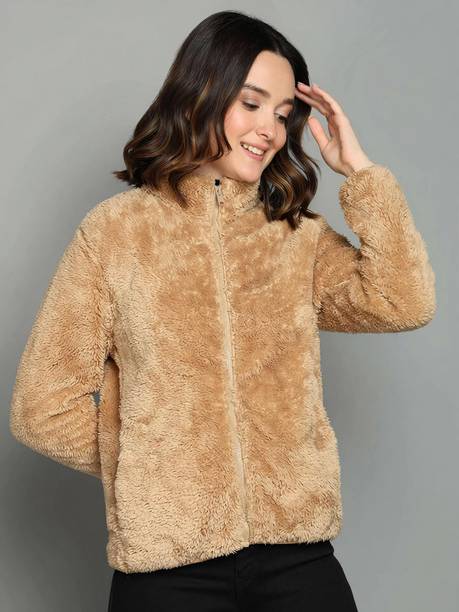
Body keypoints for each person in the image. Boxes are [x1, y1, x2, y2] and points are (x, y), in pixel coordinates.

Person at [9, 10, 436, 612]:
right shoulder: (115, 234)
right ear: (201, 92)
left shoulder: (296, 237)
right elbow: (43, 407)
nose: (270, 130)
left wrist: (361, 174)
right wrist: (154, 467)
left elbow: (402, 300)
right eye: (252, 103)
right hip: (169, 569)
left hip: (296, 553)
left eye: (283, 114)